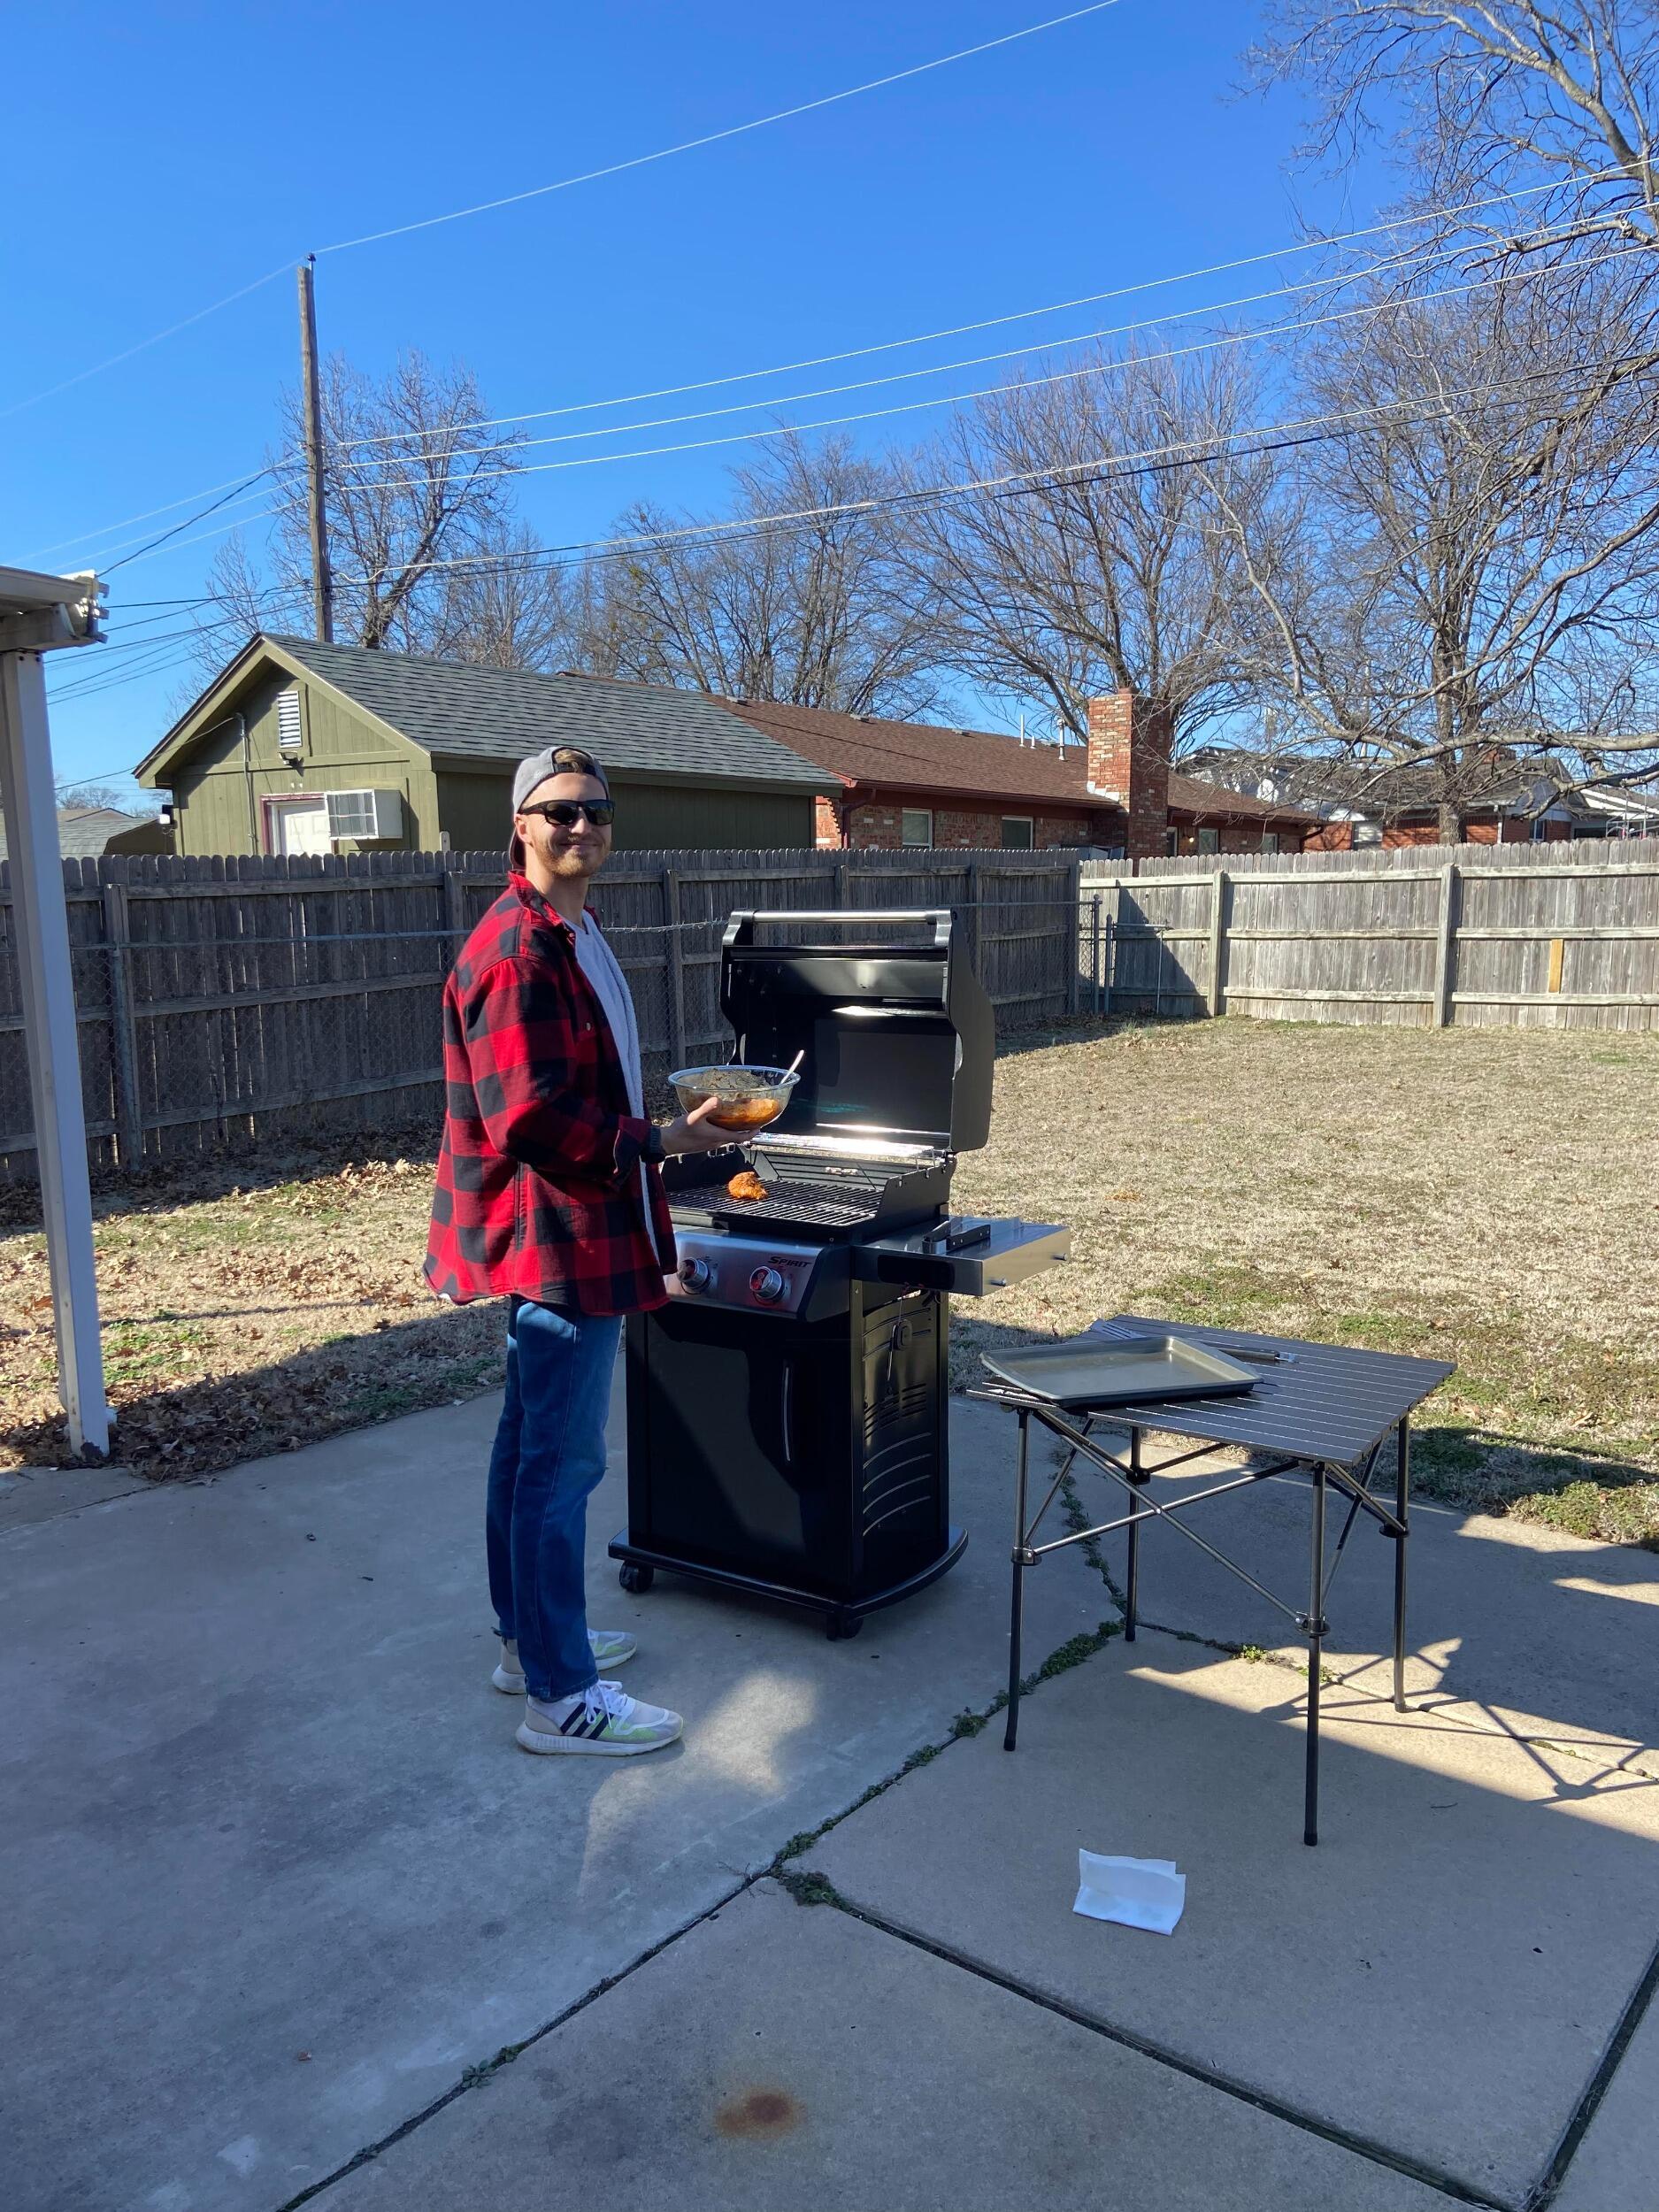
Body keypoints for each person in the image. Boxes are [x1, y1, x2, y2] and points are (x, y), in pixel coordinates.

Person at [426, 744, 726, 1755]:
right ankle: (560, 1695)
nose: (582, 828)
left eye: (596, 811)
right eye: (559, 813)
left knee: (529, 1452)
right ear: (520, 824)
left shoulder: (571, 927)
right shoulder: (519, 950)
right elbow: (531, 1118)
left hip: (574, 1224)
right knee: (559, 1465)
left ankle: (528, 1640)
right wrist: (668, 1141)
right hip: (561, 1231)